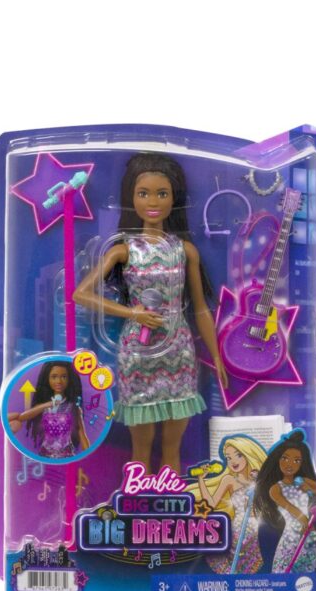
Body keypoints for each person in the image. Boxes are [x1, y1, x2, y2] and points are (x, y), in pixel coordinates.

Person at [73, 153, 227, 472]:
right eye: (143, 193)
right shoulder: (123, 250)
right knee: (140, 447)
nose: (153, 202)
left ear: (174, 199)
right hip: (138, 352)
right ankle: (135, 496)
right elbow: (80, 294)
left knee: (173, 447)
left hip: (179, 351)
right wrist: (133, 314)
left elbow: (200, 308)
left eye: (162, 193)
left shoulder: (185, 251)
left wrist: (217, 357)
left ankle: (170, 496)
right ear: (132, 197)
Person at [192, 436, 267, 574]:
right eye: (228, 457)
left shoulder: (260, 480)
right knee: (218, 557)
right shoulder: (229, 480)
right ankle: (229, 581)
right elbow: (211, 503)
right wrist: (201, 480)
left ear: (248, 455)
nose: (233, 461)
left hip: (256, 530)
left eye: (238, 455)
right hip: (236, 528)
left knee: (250, 564)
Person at [254, 429, 316, 573]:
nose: (290, 464)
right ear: (277, 459)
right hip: (291, 535)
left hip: (310, 534)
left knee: (306, 569)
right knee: (283, 569)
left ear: (302, 463)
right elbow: (288, 507)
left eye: (297, 460)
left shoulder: (303, 481)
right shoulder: (276, 488)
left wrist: (310, 488)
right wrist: (303, 519)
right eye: (285, 458)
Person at [8, 361, 89, 459]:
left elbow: (81, 433)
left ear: (69, 379)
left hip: (67, 454)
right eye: (54, 377)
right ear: (48, 379)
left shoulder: (73, 408)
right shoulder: (44, 407)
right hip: (45, 454)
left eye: (64, 377)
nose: (59, 381)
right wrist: (48, 404)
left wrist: (88, 455)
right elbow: (21, 417)